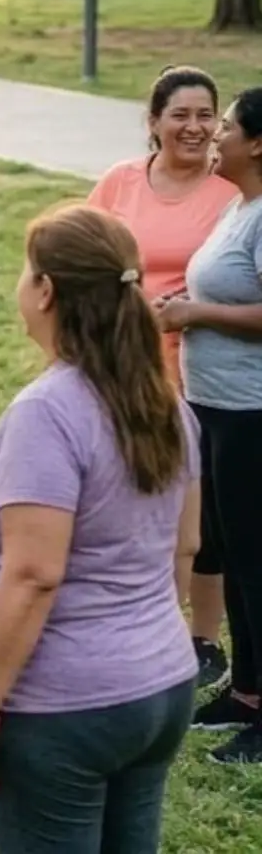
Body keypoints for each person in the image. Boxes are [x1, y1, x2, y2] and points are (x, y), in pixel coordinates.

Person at [0, 204, 199, 851]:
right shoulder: (166, 403)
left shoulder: (47, 413)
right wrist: (137, 646)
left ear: (46, 291)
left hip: (62, 707)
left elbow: (34, 574)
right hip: (159, 686)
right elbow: (186, 545)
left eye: (25, 269)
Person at [87, 65, 237, 691]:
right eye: (180, 115)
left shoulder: (232, 189)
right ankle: (134, 625)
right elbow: (87, 256)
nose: (195, 127)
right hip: (122, 368)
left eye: (206, 115)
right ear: (153, 122)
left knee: (201, 517)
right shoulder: (121, 181)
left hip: (198, 374)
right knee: (128, 504)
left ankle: (203, 639)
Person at [161, 86, 262, 764]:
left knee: (257, 562)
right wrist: (186, 300)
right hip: (214, 406)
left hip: (252, 414)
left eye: (225, 125)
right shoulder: (239, 204)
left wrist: (195, 314)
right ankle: (246, 691)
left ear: (256, 143)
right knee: (230, 554)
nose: (215, 135)